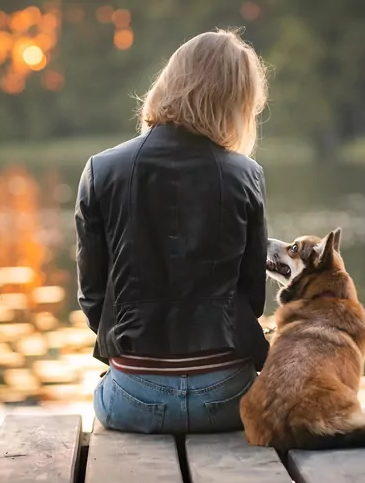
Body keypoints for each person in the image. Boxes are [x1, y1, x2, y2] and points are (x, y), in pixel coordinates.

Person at [75, 29, 270, 434]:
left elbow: (92, 297)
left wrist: (136, 352)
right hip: (228, 398)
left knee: (107, 391)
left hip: (133, 398)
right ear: (236, 103)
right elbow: (253, 296)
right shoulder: (246, 174)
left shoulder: (101, 170)